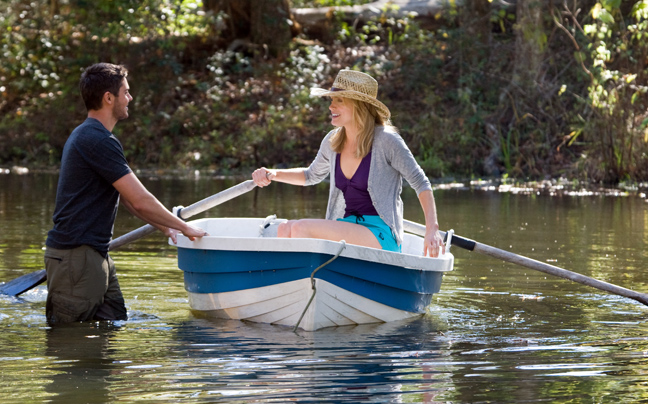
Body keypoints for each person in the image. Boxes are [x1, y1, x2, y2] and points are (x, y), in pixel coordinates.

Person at [44, 63, 207, 325]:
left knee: (114, 326)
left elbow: (130, 200)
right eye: (126, 92)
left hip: (94, 256)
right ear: (109, 98)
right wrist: (184, 227)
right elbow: (142, 201)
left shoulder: (91, 136)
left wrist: (165, 228)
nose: (130, 98)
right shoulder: (96, 140)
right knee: (71, 343)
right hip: (77, 258)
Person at [252, 69, 445, 256]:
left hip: (380, 234)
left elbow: (421, 182)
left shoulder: (387, 141)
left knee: (300, 227)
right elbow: (311, 175)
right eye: (331, 100)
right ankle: (294, 285)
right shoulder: (333, 141)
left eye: (339, 100)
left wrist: (432, 230)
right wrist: (273, 174)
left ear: (359, 105)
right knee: (286, 228)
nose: (331, 106)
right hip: (347, 226)